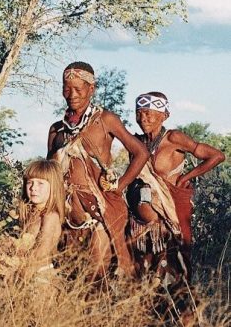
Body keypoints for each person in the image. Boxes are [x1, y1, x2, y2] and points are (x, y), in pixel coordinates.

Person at [47, 62, 149, 281]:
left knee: (96, 276)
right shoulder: (57, 129)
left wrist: (120, 185)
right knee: (70, 275)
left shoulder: (105, 120)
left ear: (91, 89)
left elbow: (141, 152)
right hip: (66, 211)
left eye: (78, 89)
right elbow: (49, 172)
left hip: (98, 210)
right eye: (66, 88)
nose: (71, 94)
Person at [128, 92, 225, 281]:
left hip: (172, 206)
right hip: (142, 215)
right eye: (138, 113)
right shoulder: (137, 142)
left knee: (177, 263)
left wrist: (186, 177)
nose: (143, 118)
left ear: (164, 115)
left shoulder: (174, 138)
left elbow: (217, 156)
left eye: (149, 113)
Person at [19, 159, 65, 280]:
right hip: (25, 270)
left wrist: (20, 269)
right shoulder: (31, 213)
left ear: (53, 187)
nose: (33, 188)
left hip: (40, 275)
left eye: (40, 183)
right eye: (30, 182)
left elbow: (42, 250)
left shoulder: (50, 216)